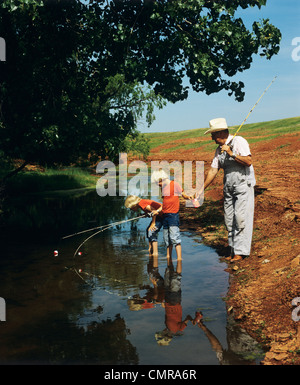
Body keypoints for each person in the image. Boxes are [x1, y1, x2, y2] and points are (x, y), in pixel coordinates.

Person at [196, 118, 256, 263]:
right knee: (229, 219)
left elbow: (248, 161)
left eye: (213, 134)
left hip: (243, 185)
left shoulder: (239, 141)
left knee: (240, 217)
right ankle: (232, 249)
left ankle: (240, 252)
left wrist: (231, 153)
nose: (211, 138)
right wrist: (201, 189)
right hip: (228, 187)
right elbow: (213, 170)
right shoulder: (218, 150)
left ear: (221, 132)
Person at [151, 170, 193, 260]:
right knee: (167, 238)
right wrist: (157, 211)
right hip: (165, 215)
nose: (158, 185)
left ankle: (179, 258)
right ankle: (168, 256)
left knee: (174, 236)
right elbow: (164, 203)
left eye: (158, 183)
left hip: (173, 215)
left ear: (161, 179)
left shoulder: (175, 184)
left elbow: (183, 194)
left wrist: (188, 197)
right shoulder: (163, 188)